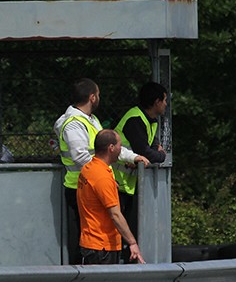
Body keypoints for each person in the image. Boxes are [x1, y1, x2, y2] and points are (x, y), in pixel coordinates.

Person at [54, 78, 146, 263]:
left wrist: (133, 157)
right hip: (80, 187)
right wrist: (102, 173)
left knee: (101, 231)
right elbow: (81, 157)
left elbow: (107, 147)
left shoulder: (91, 120)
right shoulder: (73, 124)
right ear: (92, 97)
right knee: (88, 238)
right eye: (99, 95)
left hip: (94, 184)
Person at [114, 81, 169, 253]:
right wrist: (161, 155)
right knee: (118, 228)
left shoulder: (150, 120)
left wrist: (154, 153)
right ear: (157, 102)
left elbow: (152, 149)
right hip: (116, 181)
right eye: (165, 100)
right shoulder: (135, 119)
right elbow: (147, 152)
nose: (166, 104)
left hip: (129, 183)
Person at [76, 129, 145, 264]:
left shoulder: (88, 168)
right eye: (120, 145)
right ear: (111, 148)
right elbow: (115, 215)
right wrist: (132, 243)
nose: (121, 149)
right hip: (102, 247)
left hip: (91, 243)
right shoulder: (102, 177)